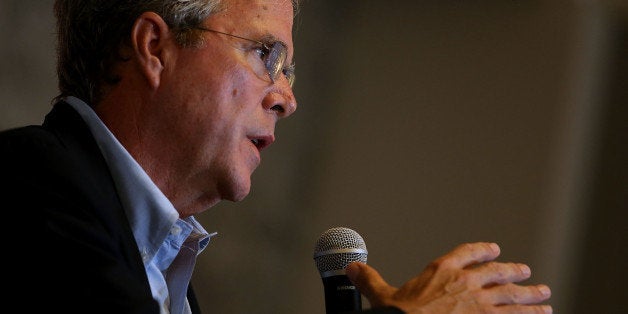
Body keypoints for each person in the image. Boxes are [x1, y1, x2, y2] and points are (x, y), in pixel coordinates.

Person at [0, 0, 551, 313]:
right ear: (154, 48)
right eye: (267, 54)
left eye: (287, 69)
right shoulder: (28, 187)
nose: (287, 98)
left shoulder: (164, 269)